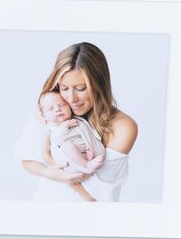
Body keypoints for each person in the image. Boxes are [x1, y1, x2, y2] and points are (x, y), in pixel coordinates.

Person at [19, 43, 138, 202]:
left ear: (99, 85)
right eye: (64, 88)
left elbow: (94, 196)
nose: (71, 99)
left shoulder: (123, 127)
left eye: (81, 88)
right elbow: (27, 160)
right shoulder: (51, 108)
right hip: (45, 203)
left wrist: (57, 171)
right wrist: (49, 173)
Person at [38, 91, 105, 175]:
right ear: (44, 116)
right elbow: (52, 146)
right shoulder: (49, 129)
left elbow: (89, 132)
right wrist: (64, 127)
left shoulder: (78, 120)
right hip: (70, 162)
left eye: (61, 105)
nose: (57, 109)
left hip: (89, 153)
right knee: (67, 146)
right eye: (50, 109)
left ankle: (90, 160)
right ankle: (86, 165)